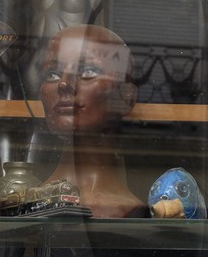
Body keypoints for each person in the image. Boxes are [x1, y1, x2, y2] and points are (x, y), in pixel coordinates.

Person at [38, 25, 143, 217]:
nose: (63, 84)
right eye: (52, 74)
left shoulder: (137, 214)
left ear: (126, 97)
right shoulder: (25, 206)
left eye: (87, 72)